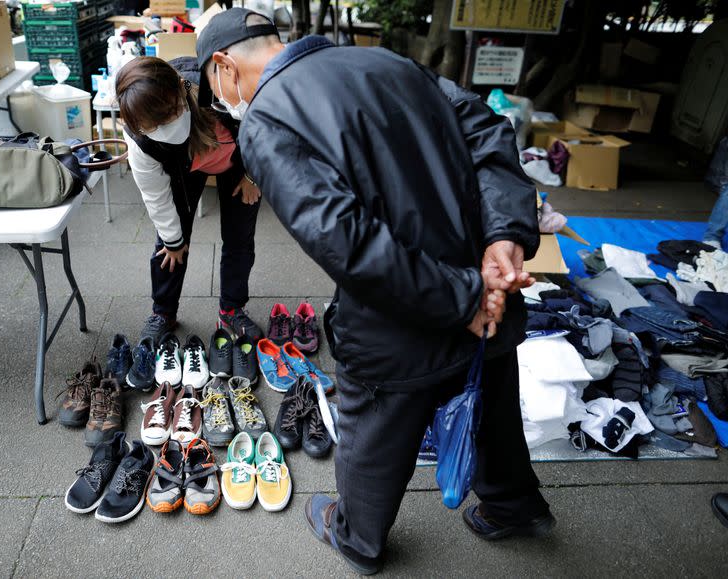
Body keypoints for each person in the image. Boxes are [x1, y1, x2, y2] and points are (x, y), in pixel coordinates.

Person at [194, 8, 553, 575]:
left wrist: (462, 299)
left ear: (223, 67)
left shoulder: (266, 121)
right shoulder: (382, 59)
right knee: (488, 400)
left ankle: (356, 537)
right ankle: (512, 505)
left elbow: (348, 243)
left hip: (407, 318)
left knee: (373, 435)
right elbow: (486, 125)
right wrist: (504, 235)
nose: (223, 104)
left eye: (215, 92)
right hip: (485, 287)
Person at [116, 57, 263, 344]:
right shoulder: (141, 140)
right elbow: (155, 196)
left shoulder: (218, 90)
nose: (163, 128)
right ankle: (163, 312)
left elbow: (262, 129)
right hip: (186, 167)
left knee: (239, 236)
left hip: (239, 160)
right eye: (153, 126)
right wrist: (173, 240)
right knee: (170, 245)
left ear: (178, 95)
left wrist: (253, 176)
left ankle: (232, 309)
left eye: (169, 116)